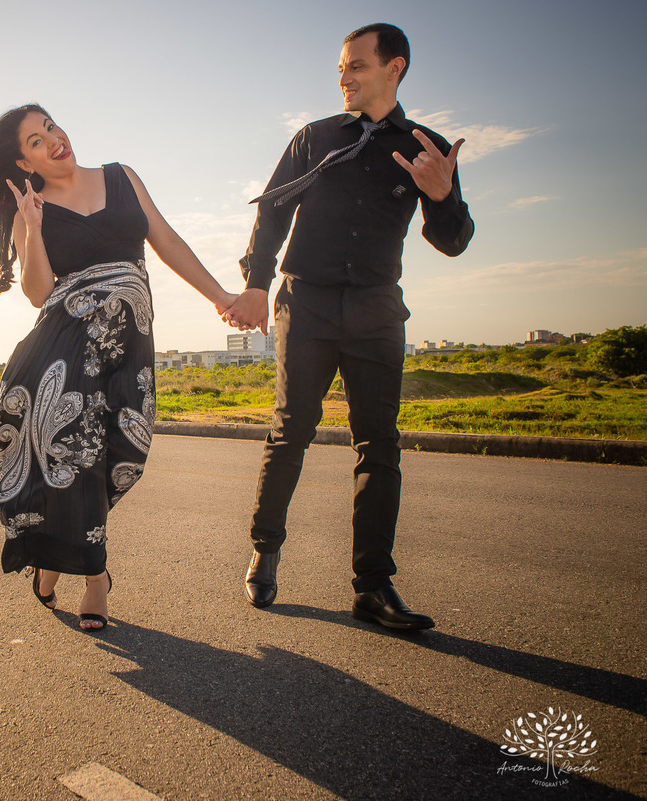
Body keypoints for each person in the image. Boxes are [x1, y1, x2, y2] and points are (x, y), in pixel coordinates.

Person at [0, 104, 238, 631]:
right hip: (64, 349)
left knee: (120, 453)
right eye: (37, 141)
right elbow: (39, 291)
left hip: (127, 345)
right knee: (77, 454)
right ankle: (94, 579)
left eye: (51, 127)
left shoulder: (121, 177)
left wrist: (220, 296)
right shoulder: (30, 208)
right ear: (24, 163)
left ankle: (53, 555)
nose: (54, 139)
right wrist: (34, 227)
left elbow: (167, 240)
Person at [222, 24, 474, 630]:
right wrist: (257, 282)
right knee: (292, 430)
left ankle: (373, 586)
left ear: (396, 68)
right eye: (340, 67)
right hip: (305, 303)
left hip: (375, 309)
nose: (344, 77)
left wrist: (442, 197)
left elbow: (452, 241)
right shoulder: (315, 138)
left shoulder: (427, 146)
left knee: (379, 446)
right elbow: (274, 209)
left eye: (356, 66)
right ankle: (265, 549)